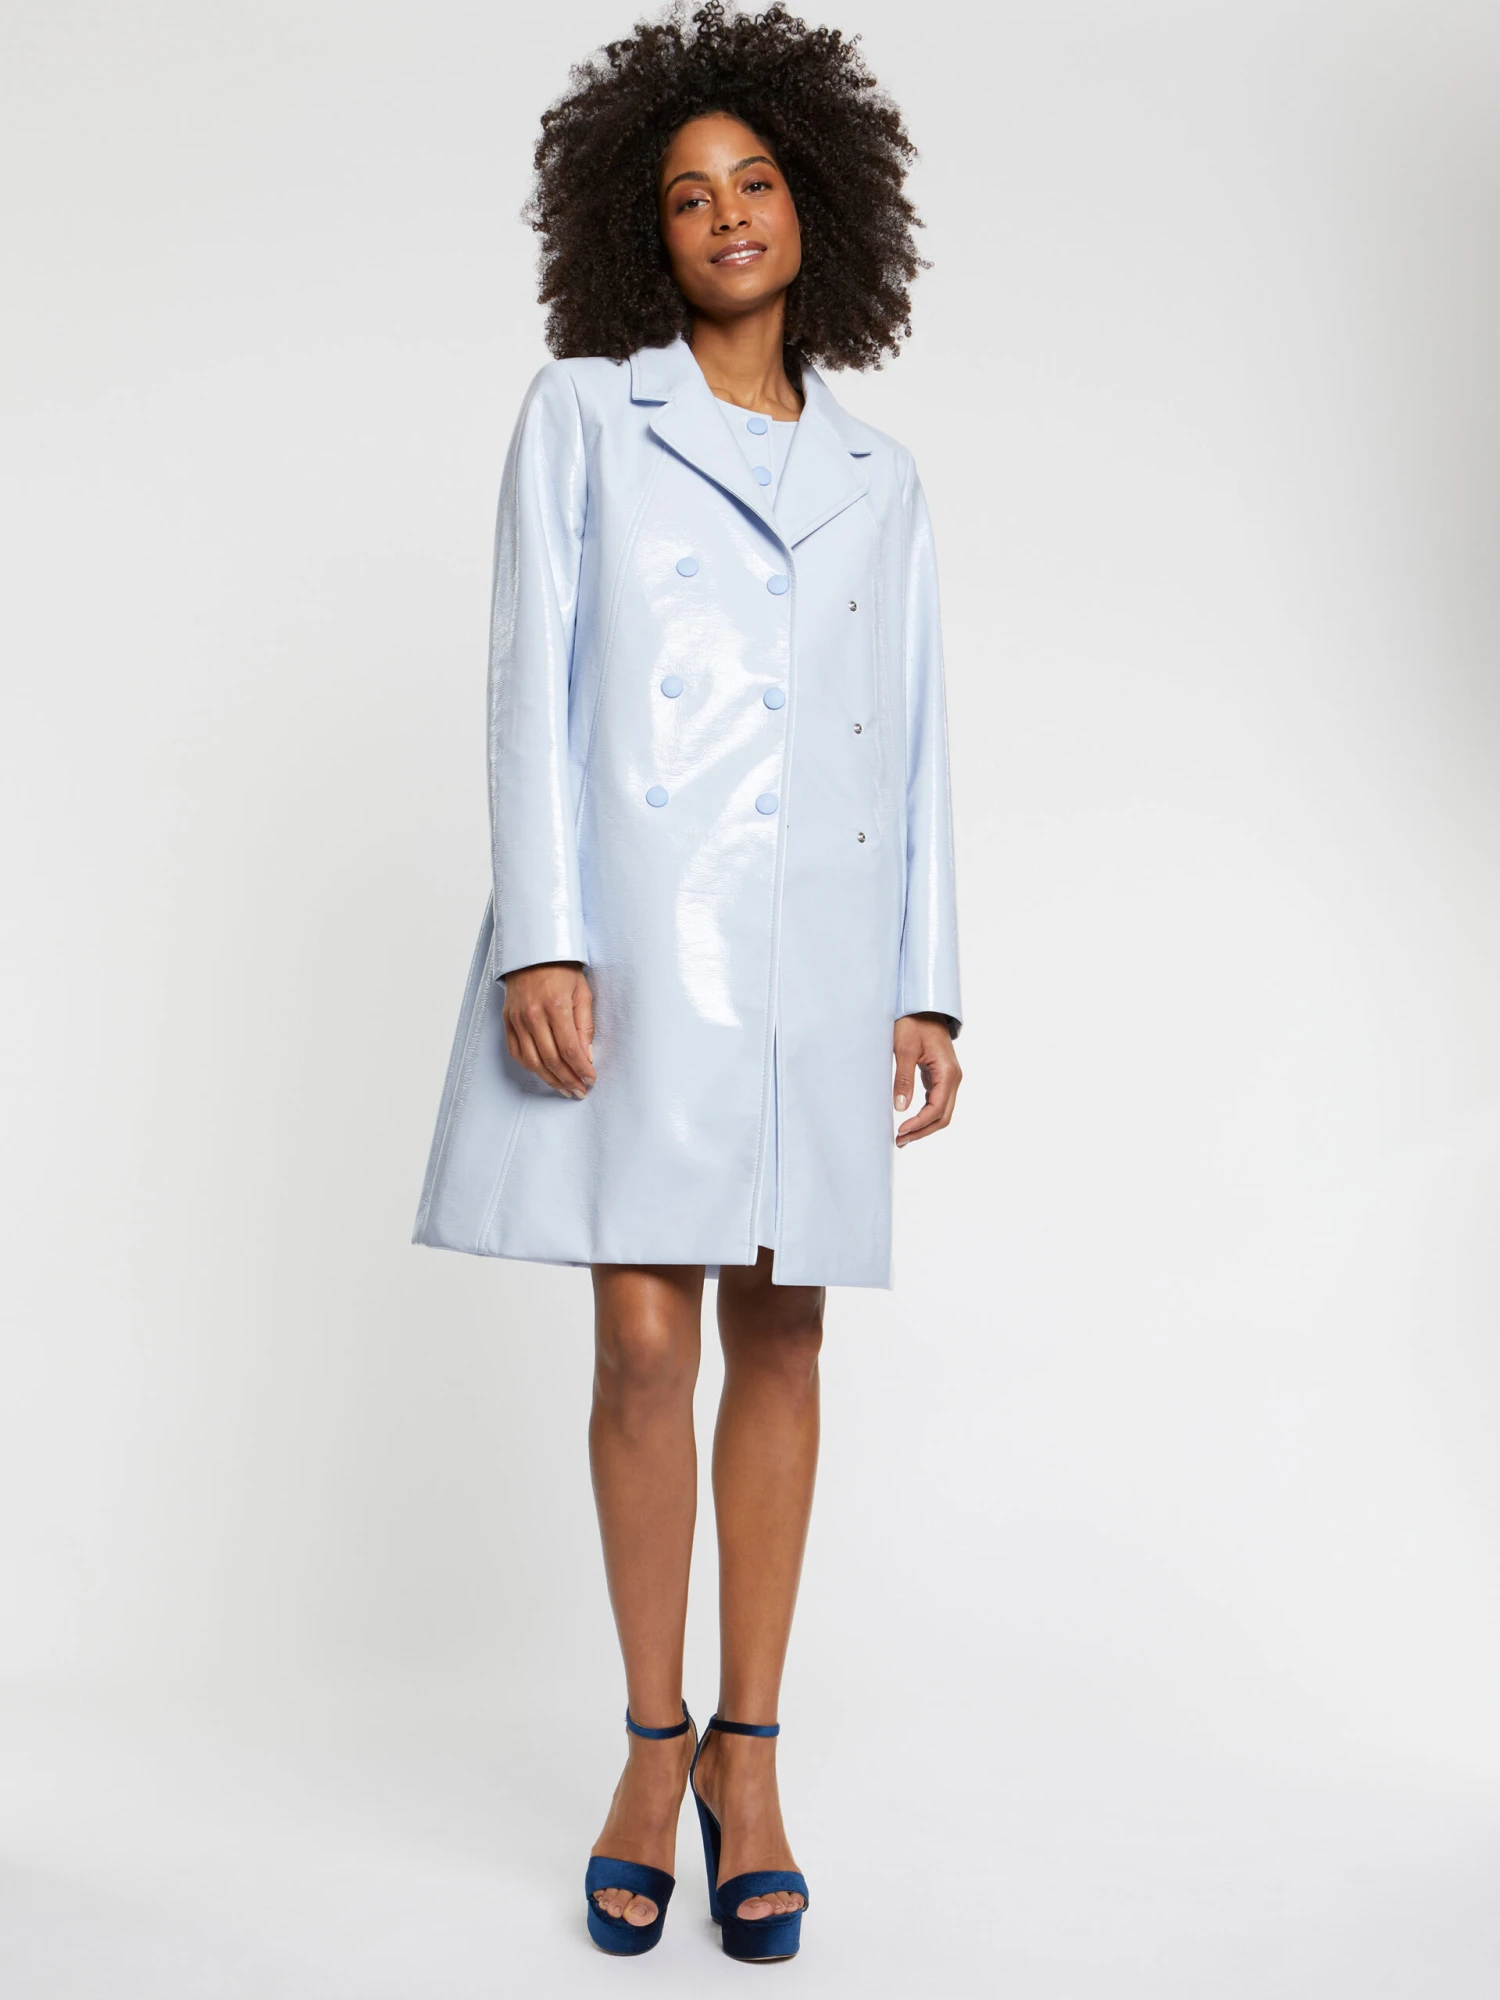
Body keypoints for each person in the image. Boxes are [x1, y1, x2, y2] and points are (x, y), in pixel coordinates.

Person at [412, 1, 962, 1964]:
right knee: (644, 1344)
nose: (728, 211)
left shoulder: (883, 476)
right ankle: (655, 1749)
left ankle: (755, 1753)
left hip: (818, 955)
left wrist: (927, 981)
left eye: (757, 180)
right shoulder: (584, 414)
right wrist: (543, 933)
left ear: (819, 210)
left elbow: (915, 735)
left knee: (785, 1338)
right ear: (640, 234)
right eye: (685, 192)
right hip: (639, 942)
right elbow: (528, 676)